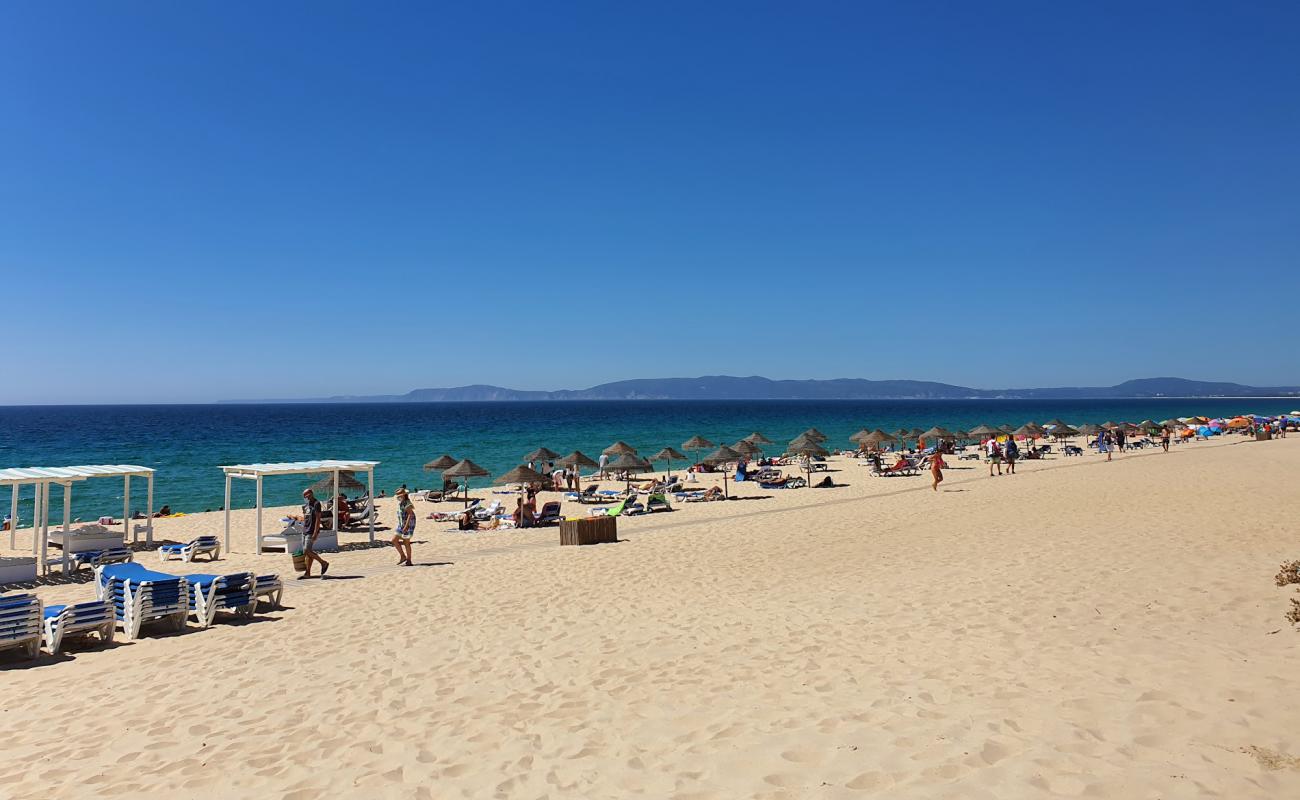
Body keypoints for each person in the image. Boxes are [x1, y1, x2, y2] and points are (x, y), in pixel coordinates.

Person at [295, 489, 329, 579]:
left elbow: (318, 518)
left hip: (311, 531)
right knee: (307, 553)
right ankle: (308, 573)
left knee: (307, 550)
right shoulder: (306, 505)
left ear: (310, 494)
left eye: (306, 496)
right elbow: (306, 518)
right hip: (305, 530)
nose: (305, 498)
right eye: (304, 496)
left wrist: (315, 532)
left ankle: (323, 562)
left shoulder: (316, 503)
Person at [391, 488, 416, 566]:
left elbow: (410, 514)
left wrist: (406, 526)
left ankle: (409, 560)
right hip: (401, 524)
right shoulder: (402, 502)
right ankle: (403, 556)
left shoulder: (407, 503)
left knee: (406, 542)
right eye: (398, 496)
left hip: (408, 524)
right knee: (394, 540)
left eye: (400, 496)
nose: (398, 497)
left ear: (404, 495)